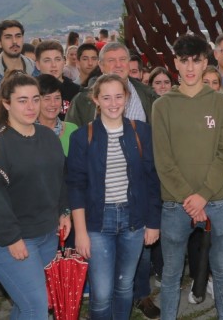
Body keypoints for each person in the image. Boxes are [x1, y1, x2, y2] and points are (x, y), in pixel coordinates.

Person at [0, 72, 71, 320]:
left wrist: (64, 211)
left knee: (26, 305)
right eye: (22, 100)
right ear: (6, 103)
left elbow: (60, 178)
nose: (31, 107)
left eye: (35, 99)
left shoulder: (48, 137)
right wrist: (11, 239)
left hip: (46, 235)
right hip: (9, 242)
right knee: (35, 307)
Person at [152, 34, 223, 320]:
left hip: (216, 201)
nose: (190, 67)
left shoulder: (221, 102)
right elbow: (163, 161)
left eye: (196, 61)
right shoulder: (162, 105)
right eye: (184, 61)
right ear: (175, 62)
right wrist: (190, 199)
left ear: (206, 63)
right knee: (171, 274)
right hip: (176, 205)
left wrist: (202, 196)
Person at [66, 74, 162, 320]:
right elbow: (75, 186)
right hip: (98, 222)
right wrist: (81, 232)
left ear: (127, 98)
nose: (113, 103)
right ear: (96, 100)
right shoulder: (82, 136)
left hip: (134, 219)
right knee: (101, 292)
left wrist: (153, 223)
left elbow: (152, 180)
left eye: (118, 96)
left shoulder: (141, 131)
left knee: (124, 286)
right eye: (106, 97)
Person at [66, 43, 157, 126]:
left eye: (122, 59)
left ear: (129, 63)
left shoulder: (148, 95)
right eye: (111, 60)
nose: (118, 65)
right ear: (101, 65)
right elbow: (71, 137)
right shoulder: (83, 100)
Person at [36, 74, 79, 154]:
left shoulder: (73, 129)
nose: (53, 103)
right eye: (47, 98)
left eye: (57, 98)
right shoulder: (27, 132)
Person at [36, 40, 81, 104]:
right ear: (38, 64)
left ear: (64, 61)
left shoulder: (76, 92)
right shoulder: (30, 89)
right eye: (47, 60)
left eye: (57, 59)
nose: (53, 65)